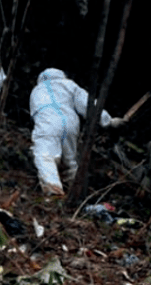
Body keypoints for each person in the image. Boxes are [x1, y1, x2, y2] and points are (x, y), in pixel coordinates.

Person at [29, 68, 123, 198]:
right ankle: (77, 193)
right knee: (70, 160)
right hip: (70, 121)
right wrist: (108, 120)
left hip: (47, 121)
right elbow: (88, 104)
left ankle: (53, 191)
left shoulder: (36, 91)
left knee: (45, 155)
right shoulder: (69, 85)